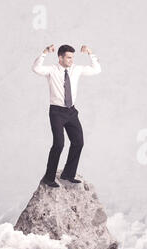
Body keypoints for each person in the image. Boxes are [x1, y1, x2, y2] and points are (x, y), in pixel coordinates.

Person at [32, 44, 101, 187]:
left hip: (71, 112)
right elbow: (36, 68)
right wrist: (44, 52)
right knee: (59, 144)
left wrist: (90, 53)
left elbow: (97, 69)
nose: (71, 60)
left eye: (72, 57)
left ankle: (68, 174)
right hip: (57, 112)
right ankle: (49, 177)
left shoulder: (76, 69)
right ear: (60, 57)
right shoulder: (52, 70)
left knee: (78, 142)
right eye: (68, 57)